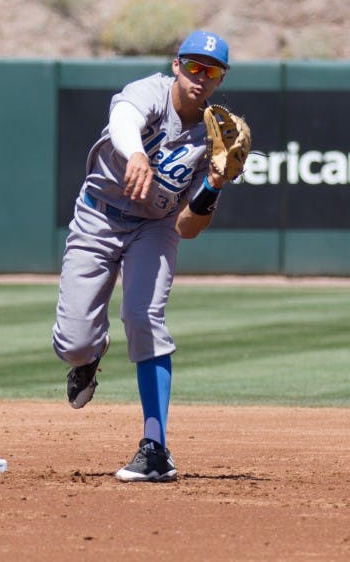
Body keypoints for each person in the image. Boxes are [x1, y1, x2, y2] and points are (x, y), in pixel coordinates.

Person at [52, 30, 234, 482]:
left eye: (211, 72)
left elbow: (187, 229)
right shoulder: (148, 91)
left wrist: (212, 185)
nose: (200, 77)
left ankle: (156, 448)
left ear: (220, 80)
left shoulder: (216, 136)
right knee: (71, 344)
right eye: (193, 66)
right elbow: (124, 120)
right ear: (177, 65)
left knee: (144, 316)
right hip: (99, 214)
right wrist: (136, 154)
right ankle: (90, 356)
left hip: (156, 226)